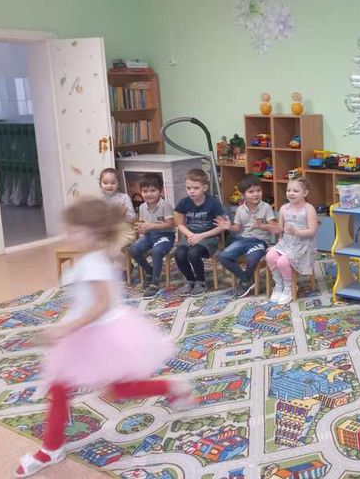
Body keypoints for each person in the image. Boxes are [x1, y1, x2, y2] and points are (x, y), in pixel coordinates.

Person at [15, 197, 192, 477]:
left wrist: (65, 329)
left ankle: (173, 387)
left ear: (94, 233)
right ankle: (52, 447)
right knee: (60, 385)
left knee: (121, 389)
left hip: (102, 334)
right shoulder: (93, 257)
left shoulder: (95, 263)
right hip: (86, 330)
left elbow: (102, 305)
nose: (68, 234)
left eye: (75, 230)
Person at [217, 174, 278, 298]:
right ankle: (246, 279)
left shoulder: (266, 207)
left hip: (260, 241)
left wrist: (261, 225)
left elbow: (274, 227)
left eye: (258, 190)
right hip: (243, 240)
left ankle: (246, 281)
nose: (256, 194)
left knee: (252, 259)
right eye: (251, 192)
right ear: (243, 195)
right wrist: (228, 227)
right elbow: (237, 228)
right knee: (223, 256)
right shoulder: (240, 209)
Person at [174, 169, 228, 297]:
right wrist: (190, 235)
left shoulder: (213, 203)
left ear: (205, 188)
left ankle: (201, 282)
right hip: (191, 235)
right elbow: (180, 224)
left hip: (209, 237)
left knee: (193, 253)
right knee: (179, 254)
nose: (191, 191)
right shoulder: (184, 202)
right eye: (188, 188)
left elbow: (222, 227)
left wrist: (201, 236)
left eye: (196, 188)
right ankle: (190, 280)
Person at [265, 177, 317, 305]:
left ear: (305, 193)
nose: (291, 193)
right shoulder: (284, 208)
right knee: (270, 256)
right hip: (286, 243)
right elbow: (280, 228)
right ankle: (279, 284)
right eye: (289, 190)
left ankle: (289, 287)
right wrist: (269, 227)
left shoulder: (309, 209)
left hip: (303, 245)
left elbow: (312, 231)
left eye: (295, 191)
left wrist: (297, 232)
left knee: (282, 261)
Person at [127, 176, 175, 298]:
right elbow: (143, 223)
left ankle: (154, 282)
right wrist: (141, 229)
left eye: (153, 190)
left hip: (165, 236)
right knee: (133, 249)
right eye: (145, 191)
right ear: (141, 192)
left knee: (156, 250)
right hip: (149, 235)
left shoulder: (165, 205)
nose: (149, 194)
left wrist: (151, 226)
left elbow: (170, 224)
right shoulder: (142, 207)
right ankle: (150, 270)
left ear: (160, 190)